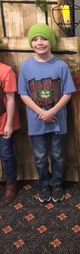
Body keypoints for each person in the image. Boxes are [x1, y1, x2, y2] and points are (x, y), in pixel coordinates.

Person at [18, 23, 76, 203]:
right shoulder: (26, 67)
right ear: (31, 43)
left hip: (57, 119)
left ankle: (57, 183)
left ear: (50, 42)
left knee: (58, 154)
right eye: (35, 39)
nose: (39, 43)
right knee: (40, 156)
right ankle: (44, 184)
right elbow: (23, 94)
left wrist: (52, 111)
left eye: (43, 39)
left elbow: (68, 92)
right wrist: (41, 112)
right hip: (37, 121)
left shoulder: (61, 65)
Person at [0, 62, 20, 203]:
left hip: (4, 121)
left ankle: (11, 183)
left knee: (6, 154)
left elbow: (11, 99)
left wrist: (9, 124)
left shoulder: (6, 71)